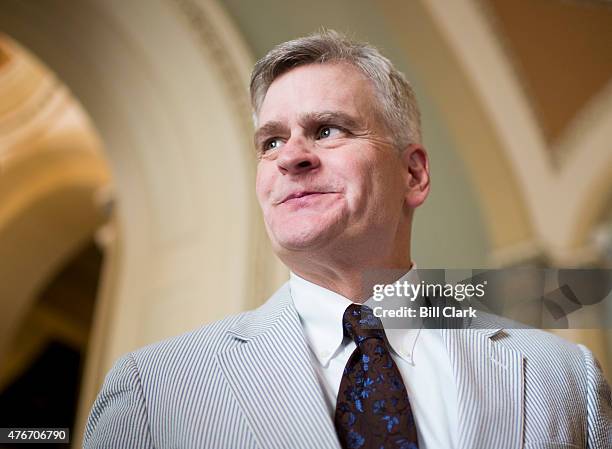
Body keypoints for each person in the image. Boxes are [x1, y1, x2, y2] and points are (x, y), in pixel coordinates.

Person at [83, 30, 611, 449]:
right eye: (271, 141)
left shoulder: (561, 377)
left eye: (328, 129)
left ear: (413, 175)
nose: (291, 156)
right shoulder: (154, 390)